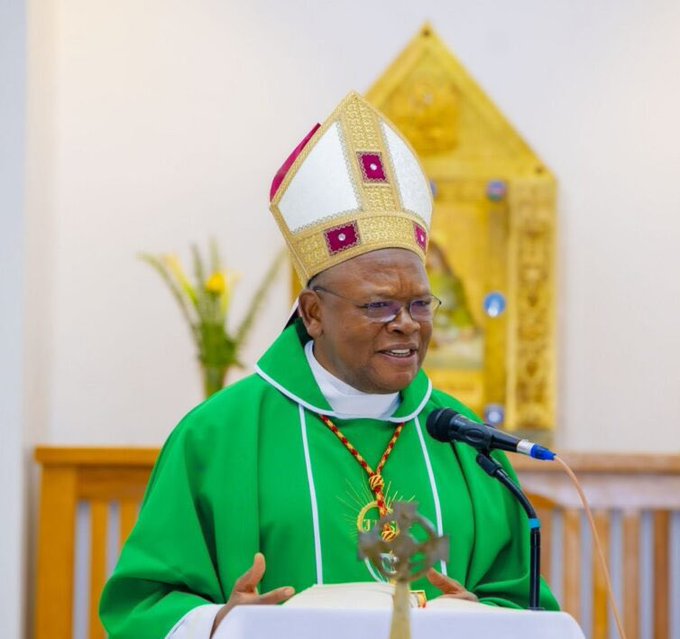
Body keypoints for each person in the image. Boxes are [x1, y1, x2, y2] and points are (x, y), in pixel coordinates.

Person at [100, 92, 558, 639]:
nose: (407, 323)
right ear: (313, 313)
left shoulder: (466, 445)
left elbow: (522, 606)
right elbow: (142, 606)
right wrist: (223, 625)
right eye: (379, 305)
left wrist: (477, 619)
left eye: (419, 303)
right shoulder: (217, 439)